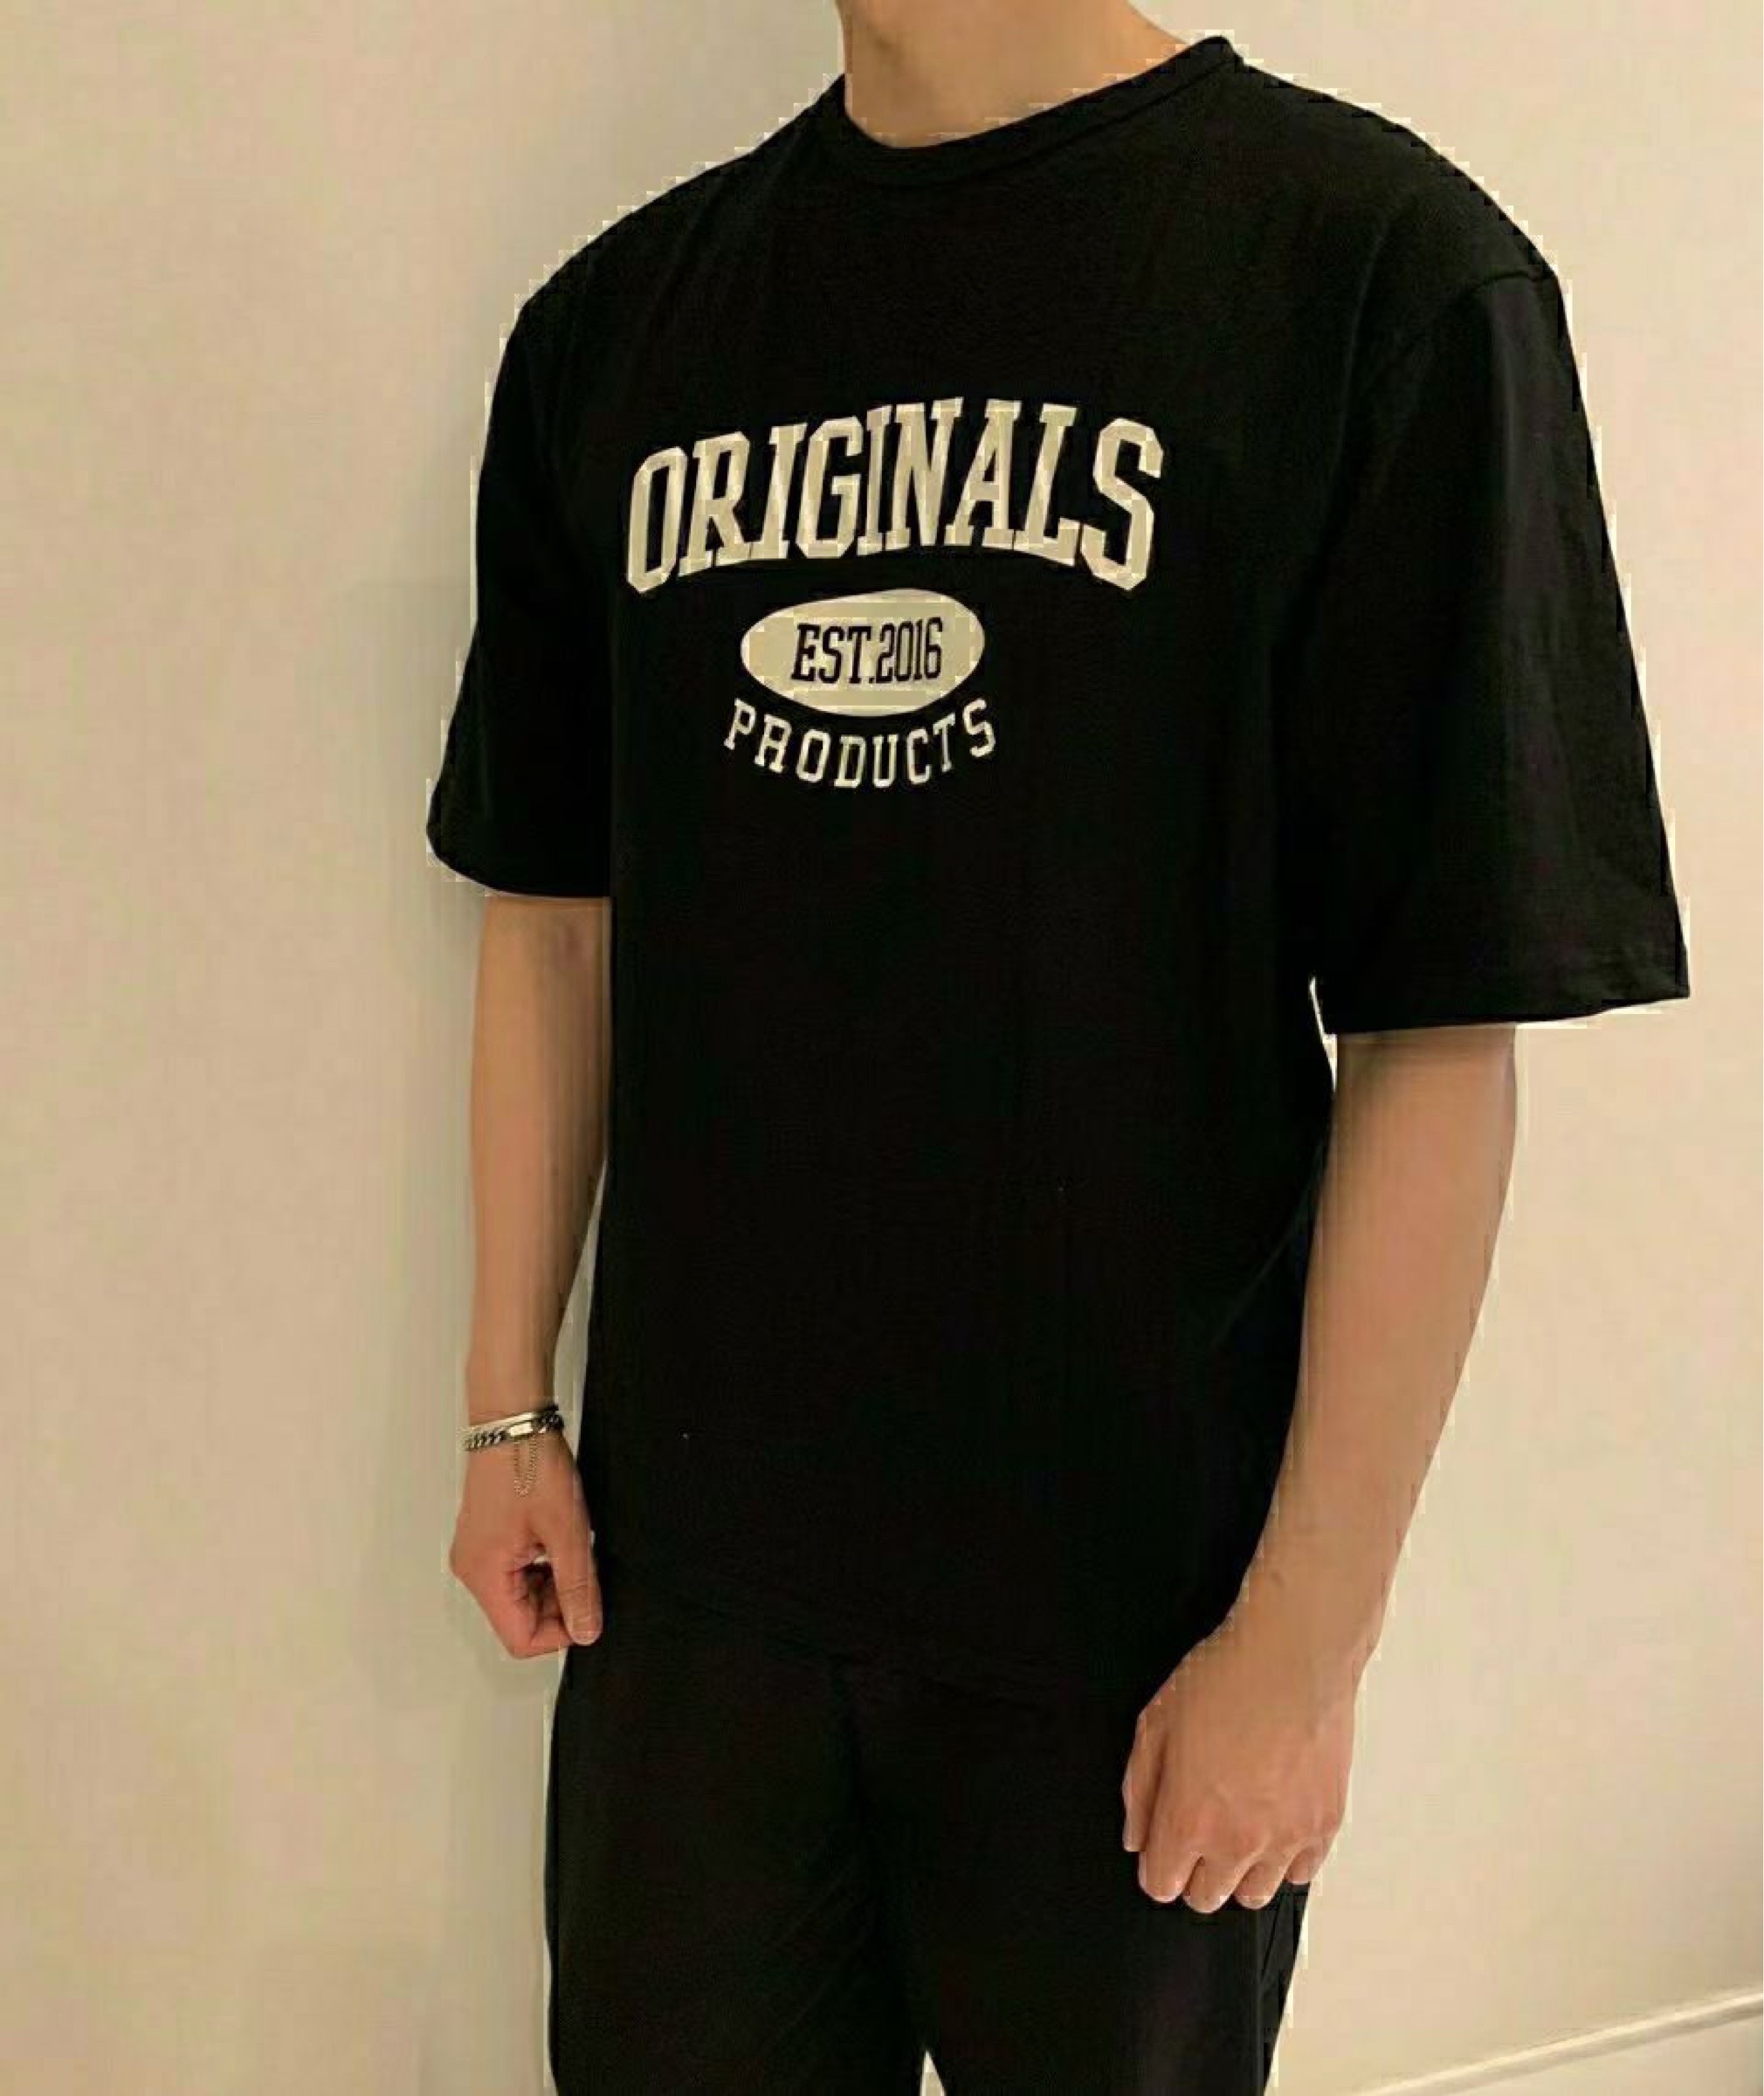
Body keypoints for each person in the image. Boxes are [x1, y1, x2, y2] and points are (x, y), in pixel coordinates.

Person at [426, 5, 1692, 2090]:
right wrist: (504, 1409)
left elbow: (1438, 1018)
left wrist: (1302, 1641)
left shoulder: (1373, 277)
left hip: (1131, 1621)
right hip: (689, 1599)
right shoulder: (615, 329)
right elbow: (555, 912)